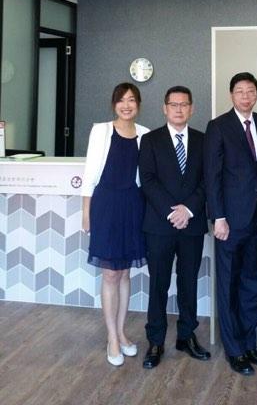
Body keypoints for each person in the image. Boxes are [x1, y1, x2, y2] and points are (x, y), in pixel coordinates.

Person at [204, 72, 257, 376]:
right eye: (240, 91)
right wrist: (218, 217)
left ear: (256, 94)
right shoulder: (218, 126)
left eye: (250, 91)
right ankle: (234, 349)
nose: (245, 96)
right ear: (231, 95)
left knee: (253, 282)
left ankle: (249, 343)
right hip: (229, 221)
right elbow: (212, 175)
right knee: (230, 283)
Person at [139, 86, 210, 368]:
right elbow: (147, 180)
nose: (179, 109)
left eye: (184, 104)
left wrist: (188, 210)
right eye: (173, 104)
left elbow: (208, 180)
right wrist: (173, 212)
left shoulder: (204, 140)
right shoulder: (150, 140)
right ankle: (155, 340)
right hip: (160, 224)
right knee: (158, 283)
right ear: (164, 108)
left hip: (192, 224)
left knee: (188, 281)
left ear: (192, 108)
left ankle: (186, 335)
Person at [81, 82, 149, 367]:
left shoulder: (145, 134)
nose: (126, 105)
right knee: (110, 273)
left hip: (133, 205)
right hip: (106, 204)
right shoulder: (101, 131)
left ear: (138, 105)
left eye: (131, 100)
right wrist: (86, 212)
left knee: (124, 274)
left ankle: (122, 332)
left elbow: (146, 177)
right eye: (121, 100)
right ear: (114, 104)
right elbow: (89, 173)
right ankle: (111, 337)